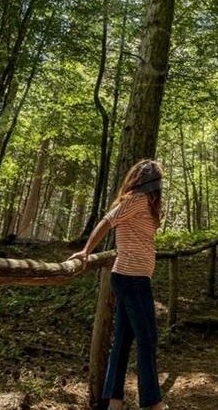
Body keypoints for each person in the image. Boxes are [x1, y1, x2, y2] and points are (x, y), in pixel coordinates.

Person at [68, 159, 167, 410]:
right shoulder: (135, 199)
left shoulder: (147, 203)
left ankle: (113, 402)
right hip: (131, 278)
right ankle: (152, 403)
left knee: (123, 340)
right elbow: (106, 221)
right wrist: (86, 250)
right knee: (148, 338)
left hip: (135, 278)